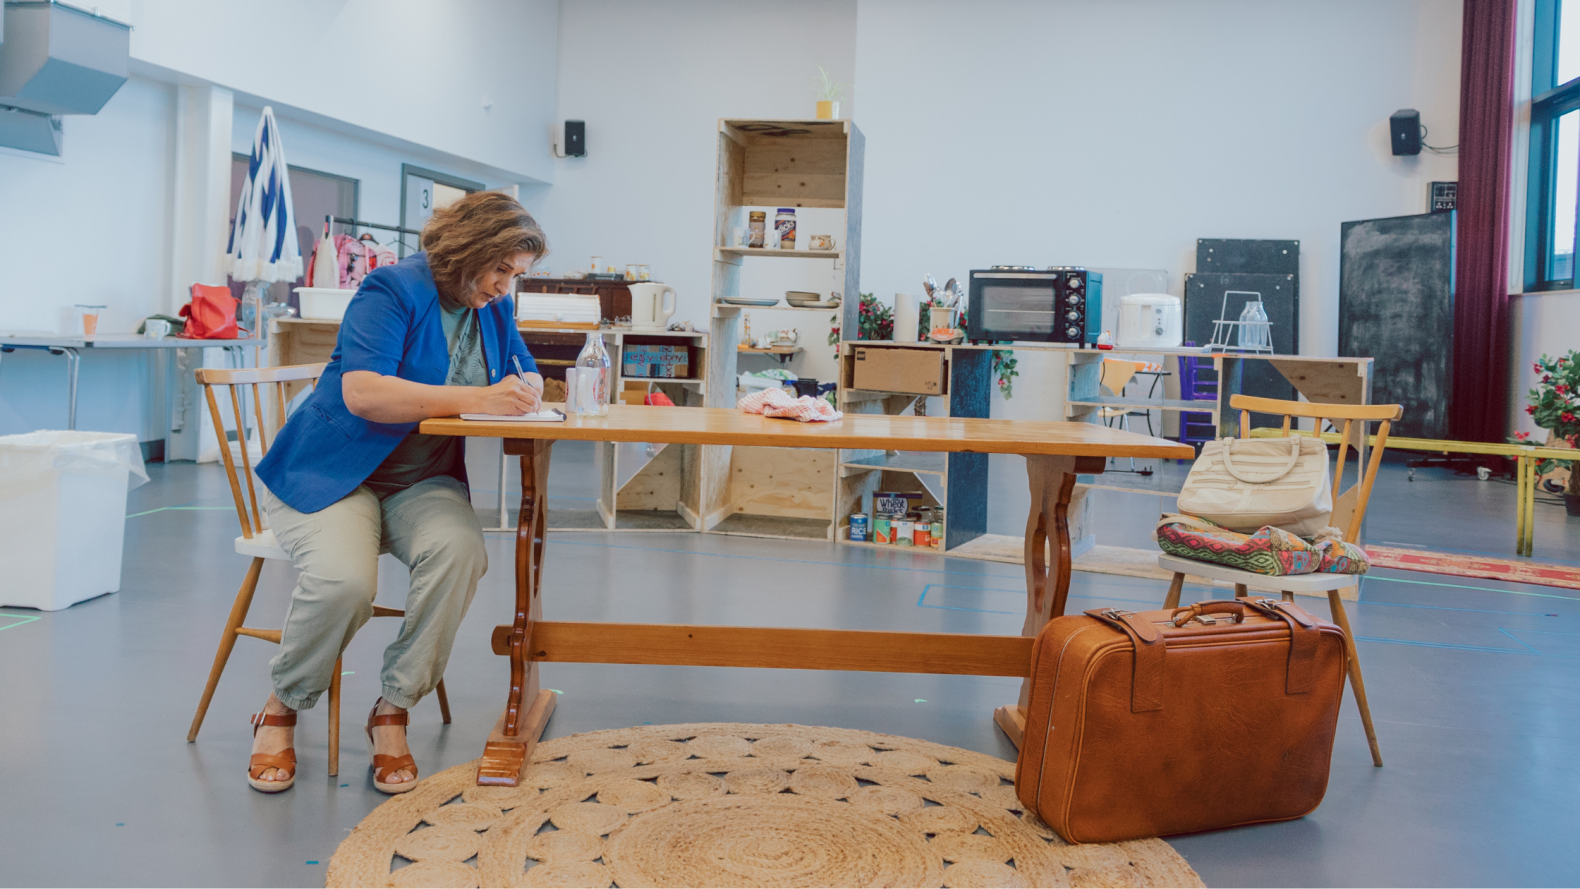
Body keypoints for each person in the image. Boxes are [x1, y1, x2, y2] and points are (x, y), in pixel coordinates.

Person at [245, 192, 547, 794]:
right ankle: (282, 702)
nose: (505, 286)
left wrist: (529, 383)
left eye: (515, 275)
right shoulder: (391, 291)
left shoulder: (490, 307)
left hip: (419, 479)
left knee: (461, 555)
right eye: (501, 269)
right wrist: (479, 399)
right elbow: (364, 393)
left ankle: (392, 708)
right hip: (335, 473)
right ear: (470, 250)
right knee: (345, 582)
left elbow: (520, 364)